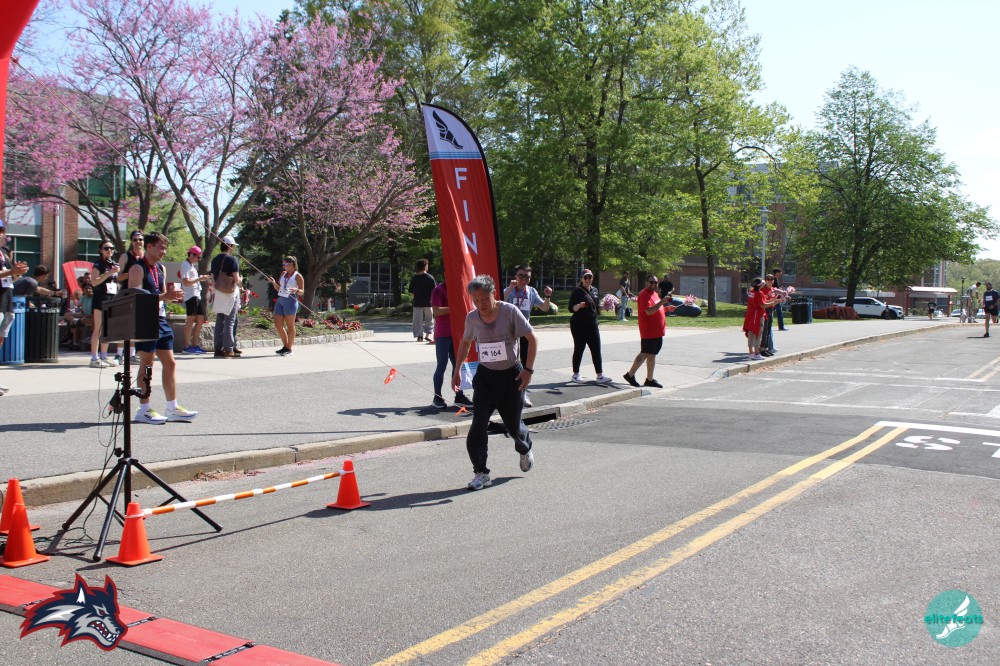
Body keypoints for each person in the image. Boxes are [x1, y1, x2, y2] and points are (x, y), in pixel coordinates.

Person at [451, 274, 537, 490]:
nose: (480, 304)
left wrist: (528, 370)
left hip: (511, 377)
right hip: (485, 378)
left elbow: (532, 338)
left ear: (494, 294)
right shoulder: (472, 318)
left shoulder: (509, 311)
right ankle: (481, 472)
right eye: (476, 300)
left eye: (484, 299)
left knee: (513, 426)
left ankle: (525, 448)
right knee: (477, 426)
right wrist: (457, 369)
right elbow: (465, 342)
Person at [128, 232, 198, 424]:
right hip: (144, 319)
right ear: (149, 247)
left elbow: (162, 295)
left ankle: (172, 407)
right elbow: (135, 298)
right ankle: (144, 409)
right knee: (147, 363)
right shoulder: (137, 268)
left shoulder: (160, 268)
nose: (164, 251)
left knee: (170, 363)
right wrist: (163, 297)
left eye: (165, 248)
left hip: (160, 319)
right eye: (160, 247)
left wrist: (171, 297)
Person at [503, 264, 552, 406]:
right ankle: (506, 394)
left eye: (527, 277)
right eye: (521, 276)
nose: (524, 279)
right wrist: (510, 288)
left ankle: (522, 394)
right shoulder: (509, 290)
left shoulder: (531, 291)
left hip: (525, 333)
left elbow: (544, 308)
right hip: (509, 333)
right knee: (508, 365)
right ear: (515, 276)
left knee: (525, 365)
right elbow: (498, 302)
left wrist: (548, 296)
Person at [623, 274, 676, 388]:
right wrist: (662, 301)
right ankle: (630, 375)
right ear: (646, 282)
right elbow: (648, 311)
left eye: (655, 282)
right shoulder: (644, 295)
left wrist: (667, 308)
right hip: (649, 331)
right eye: (651, 282)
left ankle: (649, 379)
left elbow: (657, 309)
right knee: (645, 353)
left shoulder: (655, 294)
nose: (653, 284)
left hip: (658, 331)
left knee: (652, 355)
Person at [429, 278, 472, 409]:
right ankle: (437, 397)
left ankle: (459, 396)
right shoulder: (439, 289)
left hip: (457, 332)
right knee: (442, 364)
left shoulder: (460, 289)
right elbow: (436, 311)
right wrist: (454, 307)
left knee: (458, 364)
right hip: (443, 332)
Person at [0, 220, 29, 394]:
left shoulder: (4, 253)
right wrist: (12, 272)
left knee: (1, 340)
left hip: (7, 302)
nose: (0, 233)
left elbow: (12, 277)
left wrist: (18, 272)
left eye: (2, 230)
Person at [568, 269, 611, 383]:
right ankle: (575, 374)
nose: (588, 279)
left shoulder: (595, 290)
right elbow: (571, 308)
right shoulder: (577, 291)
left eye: (590, 277)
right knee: (579, 348)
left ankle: (600, 375)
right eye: (585, 277)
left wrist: (604, 306)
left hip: (592, 324)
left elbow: (596, 306)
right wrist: (579, 305)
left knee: (596, 349)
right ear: (582, 279)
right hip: (579, 325)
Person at [88, 240, 122, 368]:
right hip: (100, 298)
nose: (109, 250)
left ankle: (103, 356)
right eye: (106, 248)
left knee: (107, 330)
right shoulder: (98, 264)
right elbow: (94, 282)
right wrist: (109, 273)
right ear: (101, 250)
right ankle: (94, 358)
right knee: (98, 328)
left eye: (112, 248)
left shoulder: (113, 264)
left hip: (111, 298)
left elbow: (115, 282)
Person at [116, 229, 146, 364]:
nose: (138, 242)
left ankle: (132, 354)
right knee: (124, 325)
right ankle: (119, 354)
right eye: (135, 240)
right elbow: (117, 277)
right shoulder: (125, 257)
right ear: (131, 242)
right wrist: (133, 273)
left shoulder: (146, 257)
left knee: (135, 327)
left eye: (140, 239)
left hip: (141, 296)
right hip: (126, 295)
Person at [211, 235, 242, 358]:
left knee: (219, 320)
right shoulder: (232, 260)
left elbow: (212, 277)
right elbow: (236, 279)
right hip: (230, 292)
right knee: (230, 320)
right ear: (230, 246)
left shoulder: (215, 260)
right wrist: (241, 279)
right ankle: (229, 349)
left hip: (219, 291)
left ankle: (218, 348)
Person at [267, 256, 304, 356]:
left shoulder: (298, 276)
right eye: (283, 264)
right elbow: (279, 288)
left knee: (290, 326)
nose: (283, 266)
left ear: (292, 265)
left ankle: (289, 348)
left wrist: (296, 290)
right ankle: (285, 346)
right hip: (280, 300)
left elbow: (302, 291)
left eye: (285, 264)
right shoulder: (283, 273)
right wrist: (273, 282)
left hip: (291, 300)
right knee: (278, 325)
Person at [180, 246, 211, 354]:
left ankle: (195, 345)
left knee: (200, 319)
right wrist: (200, 278)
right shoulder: (185, 265)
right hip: (190, 296)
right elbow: (186, 282)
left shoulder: (191, 266)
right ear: (191, 255)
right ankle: (186, 346)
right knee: (190, 320)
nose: (199, 259)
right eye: (198, 257)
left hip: (196, 295)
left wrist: (200, 278)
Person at [743, 277, 777, 361]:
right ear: (760, 285)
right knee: (758, 334)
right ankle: (756, 353)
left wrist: (774, 300)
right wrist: (773, 302)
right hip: (757, 315)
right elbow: (762, 305)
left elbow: (762, 301)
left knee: (751, 333)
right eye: (763, 283)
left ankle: (751, 352)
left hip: (750, 314)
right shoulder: (759, 293)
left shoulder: (751, 292)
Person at [409, 258, 436, 342]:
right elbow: (434, 290)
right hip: (428, 302)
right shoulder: (430, 277)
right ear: (425, 266)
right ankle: (428, 335)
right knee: (429, 319)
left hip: (417, 302)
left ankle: (419, 336)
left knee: (417, 320)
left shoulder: (414, 278)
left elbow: (412, 291)